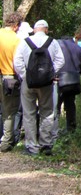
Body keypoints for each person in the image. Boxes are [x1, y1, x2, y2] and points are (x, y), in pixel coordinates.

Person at [13, 19, 64, 156]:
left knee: (28, 113)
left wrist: (26, 76)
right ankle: (45, 144)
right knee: (47, 112)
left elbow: (17, 61)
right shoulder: (52, 42)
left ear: (35, 29)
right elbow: (61, 60)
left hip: (28, 84)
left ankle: (31, 146)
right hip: (47, 84)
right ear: (46, 29)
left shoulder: (25, 42)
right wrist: (51, 75)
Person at [55, 35, 81, 133]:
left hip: (58, 81)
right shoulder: (79, 49)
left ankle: (53, 131)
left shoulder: (56, 46)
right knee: (70, 105)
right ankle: (71, 130)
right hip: (73, 82)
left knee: (55, 106)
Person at [0, 12, 23, 153]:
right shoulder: (16, 40)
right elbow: (18, 63)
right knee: (9, 111)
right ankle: (6, 142)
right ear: (16, 26)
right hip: (9, 77)